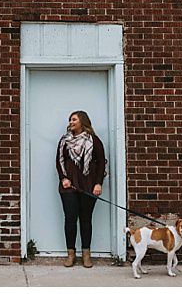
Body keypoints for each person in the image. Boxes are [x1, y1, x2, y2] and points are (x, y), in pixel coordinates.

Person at [55, 110, 107, 268]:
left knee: (86, 219)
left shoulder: (94, 140)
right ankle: (70, 254)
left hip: (88, 186)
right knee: (70, 219)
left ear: (82, 121)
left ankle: (86, 254)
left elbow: (101, 163)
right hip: (69, 186)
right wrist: (63, 178)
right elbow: (59, 161)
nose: (71, 122)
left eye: (74, 119)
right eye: (70, 120)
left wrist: (98, 183)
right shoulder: (64, 140)